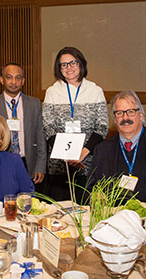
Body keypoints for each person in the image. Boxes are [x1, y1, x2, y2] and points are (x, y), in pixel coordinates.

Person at [43, 47, 108, 203]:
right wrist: (68, 155)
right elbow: (48, 127)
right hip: (59, 165)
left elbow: (102, 127)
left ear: (81, 64)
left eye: (73, 62)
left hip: (88, 163)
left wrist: (83, 153)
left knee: (86, 212)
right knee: (59, 214)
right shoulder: (52, 91)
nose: (69, 68)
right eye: (63, 65)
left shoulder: (95, 90)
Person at [0, 63, 46, 186]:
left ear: (23, 81)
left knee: (29, 202)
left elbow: (41, 136)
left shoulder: (34, 104)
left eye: (18, 78)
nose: (13, 82)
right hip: (1, 161)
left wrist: (40, 166)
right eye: (9, 77)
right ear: (2, 80)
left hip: (28, 162)